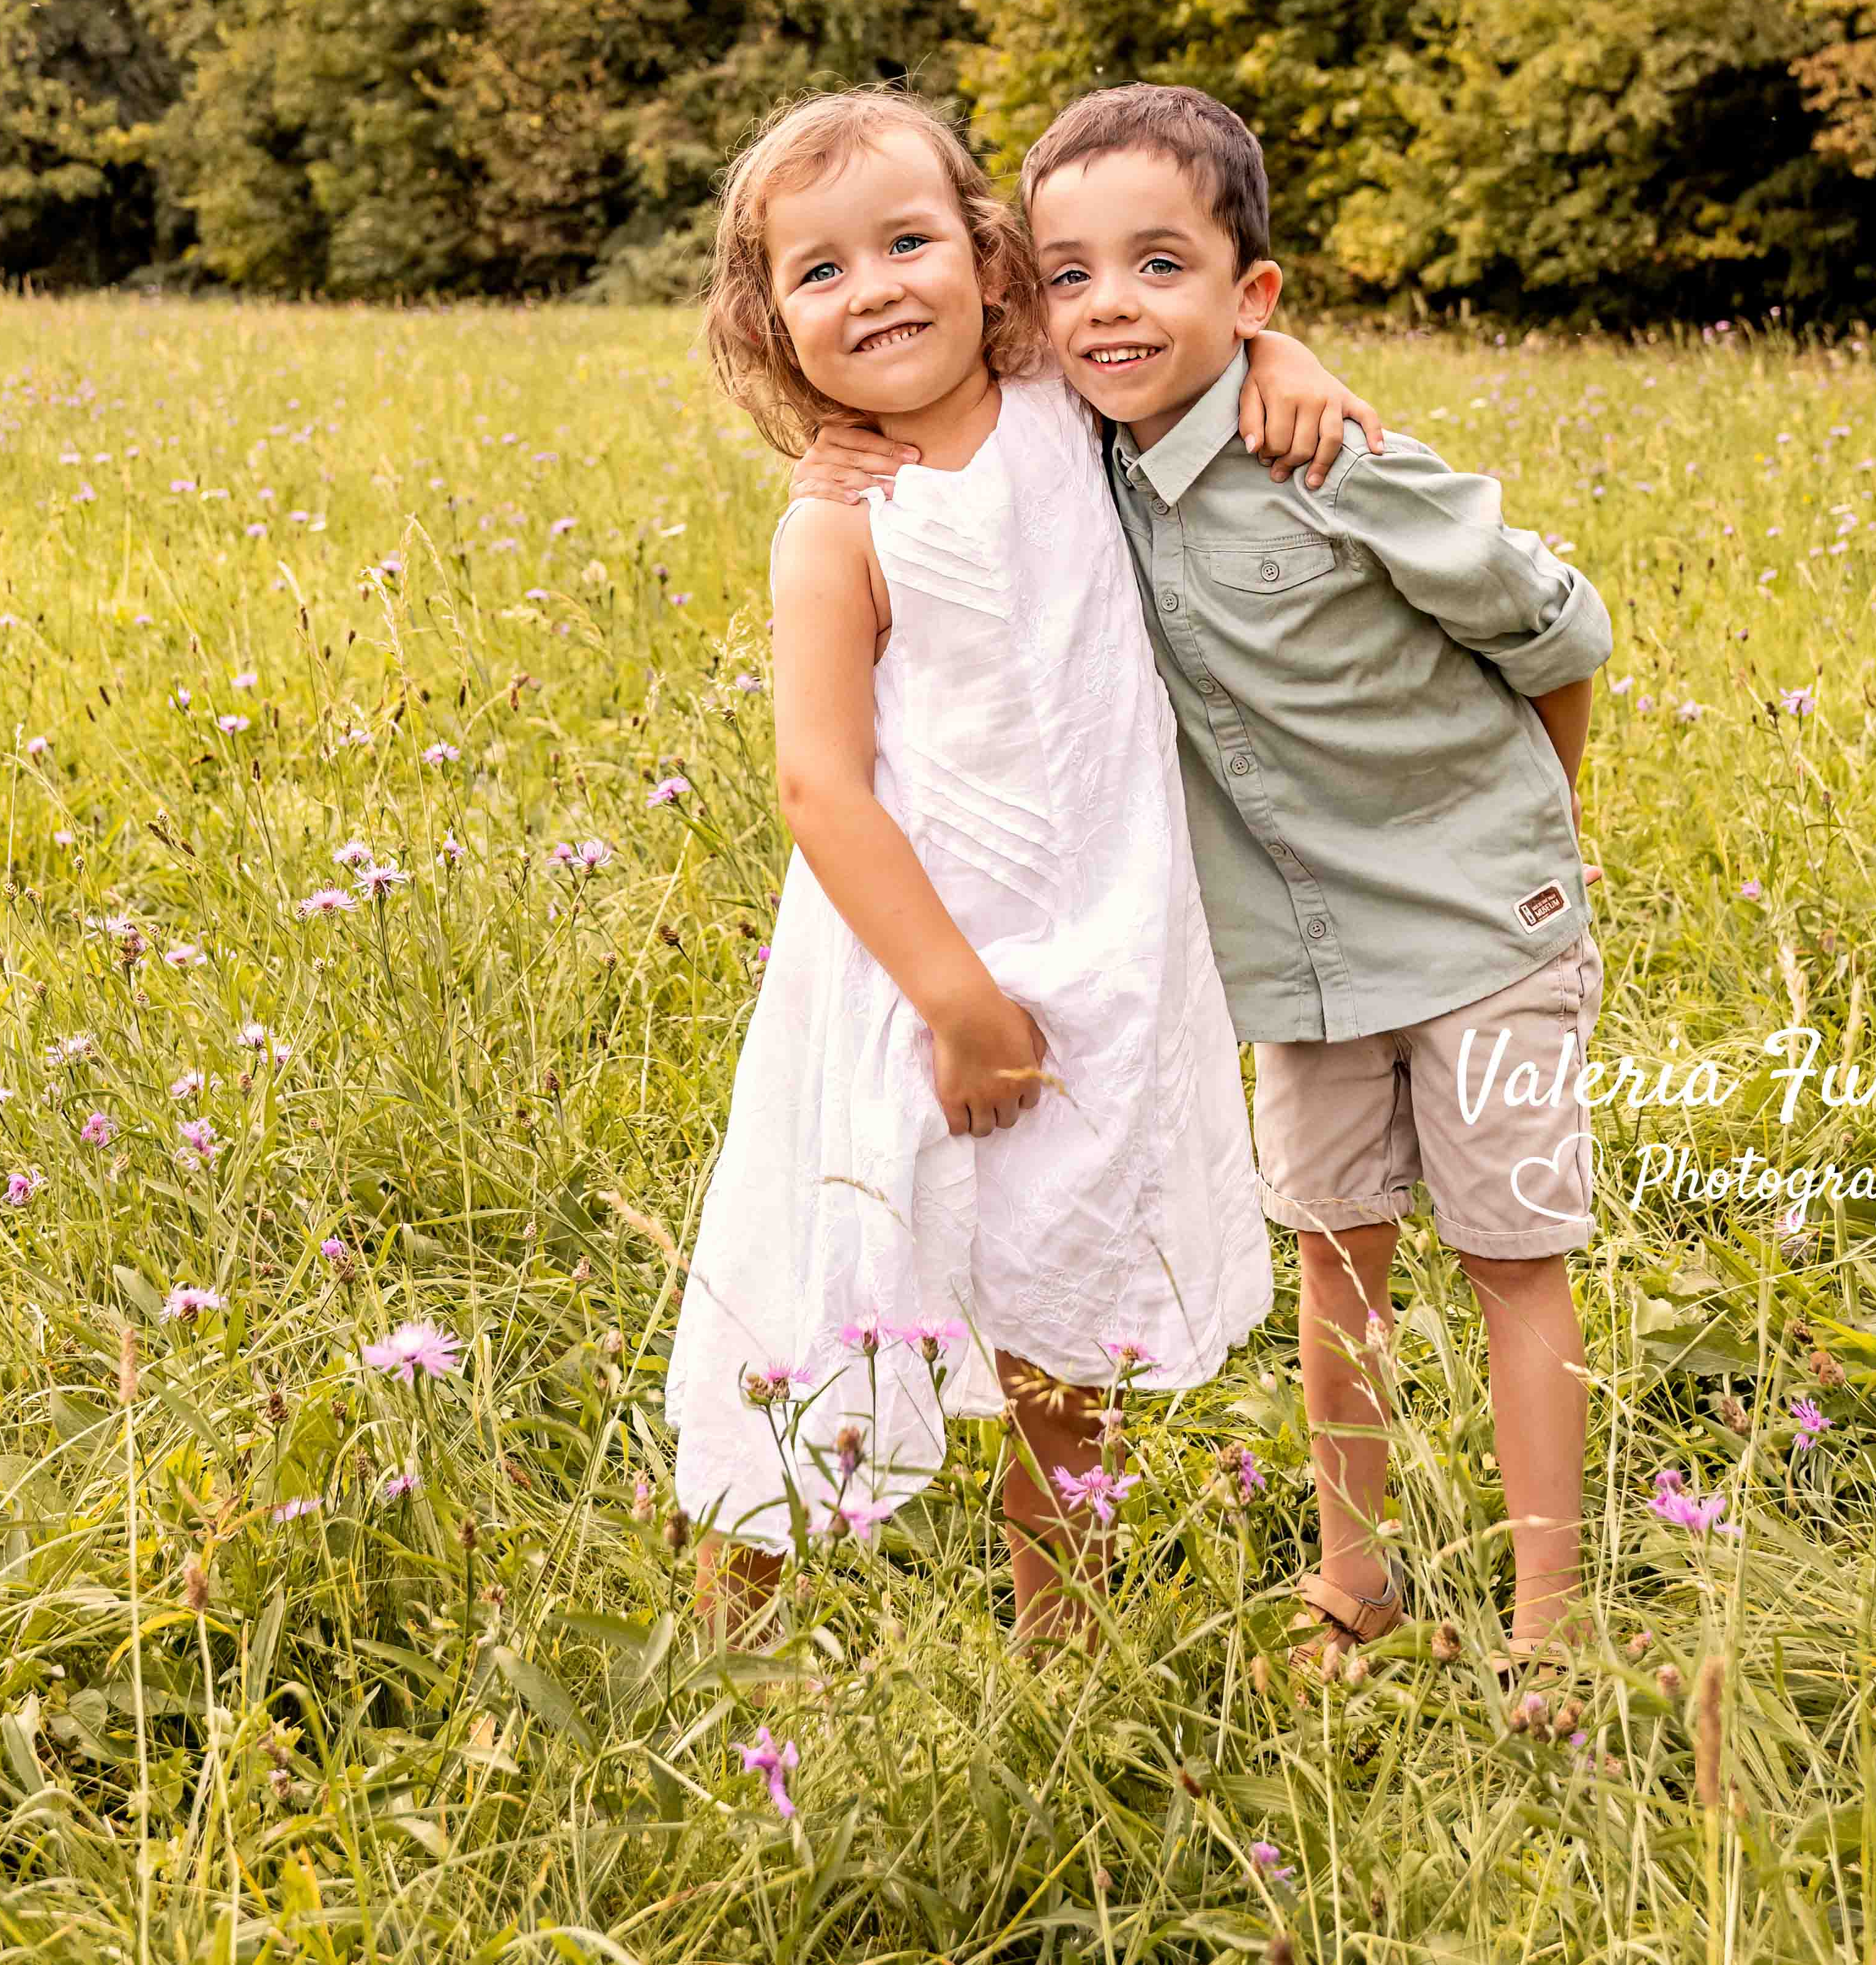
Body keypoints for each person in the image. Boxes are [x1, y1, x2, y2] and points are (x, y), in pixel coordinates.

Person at [806, 84, 1610, 1666]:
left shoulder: (1332, 460)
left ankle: (1550, 1637)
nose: (1109, 307)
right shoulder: (1081, 453)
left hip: (1483, 931)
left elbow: (1562, 641)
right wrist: (850, 450)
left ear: (1249, 296)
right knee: (1337, 1262)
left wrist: (1530, 845)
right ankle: (1355, 1590)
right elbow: (956, 382)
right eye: (1070, 274)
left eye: (1160, 267)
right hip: (1298, 962)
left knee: (1515, 1258)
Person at [665, 84, 1377, 1649]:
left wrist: (1288, 353)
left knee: (1073, 1298)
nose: (878, 289)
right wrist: (956, 999)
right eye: (822, 270)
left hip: (1110, 937)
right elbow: (819, 782)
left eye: (910, 240)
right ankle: (731, 1641)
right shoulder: (839, 526)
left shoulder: (1065, 394)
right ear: (770, 320)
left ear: (991, 259)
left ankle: (1063, 1643)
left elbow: (1187, 323)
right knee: (826, 1270)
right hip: (913, 963)